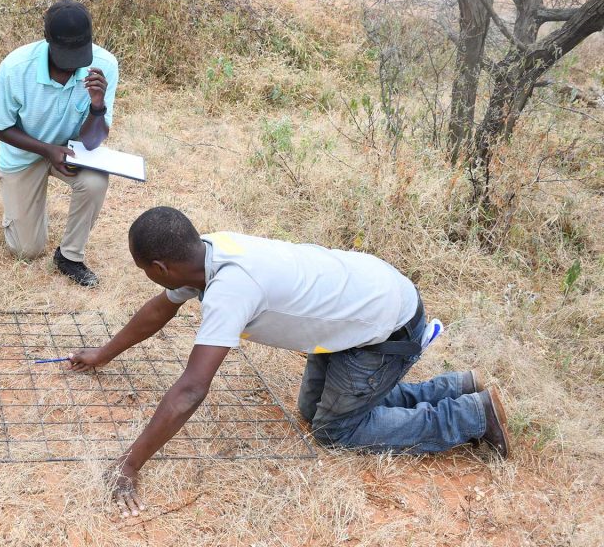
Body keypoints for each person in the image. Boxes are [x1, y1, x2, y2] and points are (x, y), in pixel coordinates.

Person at [69, 206, 511, 516]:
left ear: (161, 267)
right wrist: (103, 354)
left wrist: (129, 464)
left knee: (336, 431)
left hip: (385, 327)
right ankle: (453, 386)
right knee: (311, 412)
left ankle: (471, 416)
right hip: (363, 302)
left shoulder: (231, 289)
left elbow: (191, 389)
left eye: (143, 269)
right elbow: (158, 309)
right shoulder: (209, 251)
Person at [0, 0, 119, 286]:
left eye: (79, 55)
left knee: (95, 180)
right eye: (65, 56)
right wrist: (48, 150)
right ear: (46, 39)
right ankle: (25, 213)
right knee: (26, 250)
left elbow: (93, 141)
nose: (73, 66)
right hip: (23, 154)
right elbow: (1, 127)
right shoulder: (15, 67)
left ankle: (70, 256)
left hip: (72, 152)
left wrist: (97, 106)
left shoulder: (104, 65)